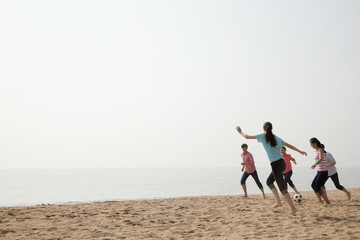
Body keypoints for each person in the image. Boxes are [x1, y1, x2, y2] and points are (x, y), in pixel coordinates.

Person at [236, 122, 307, 214]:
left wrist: (240, 132)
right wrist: (300, 151)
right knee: (269, 182)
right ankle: (278, 202)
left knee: (281, 187)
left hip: (276, 165)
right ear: (271, 129)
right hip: (282, 164)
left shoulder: (263, 136)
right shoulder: (276, 138)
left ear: (263, 129)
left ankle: (293, 208)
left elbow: (247, 137)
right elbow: (289, 145)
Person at [310, 137, 331, 204]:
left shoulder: (320, 150)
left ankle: (327, 202)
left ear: (315, 143)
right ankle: (320, 200)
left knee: (317, 187)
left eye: (311, 144)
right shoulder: (316, 151)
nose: (310, 145)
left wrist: (315, 164)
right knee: (313, 185)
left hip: (323, 172)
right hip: (319, 171)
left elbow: (321, 158)